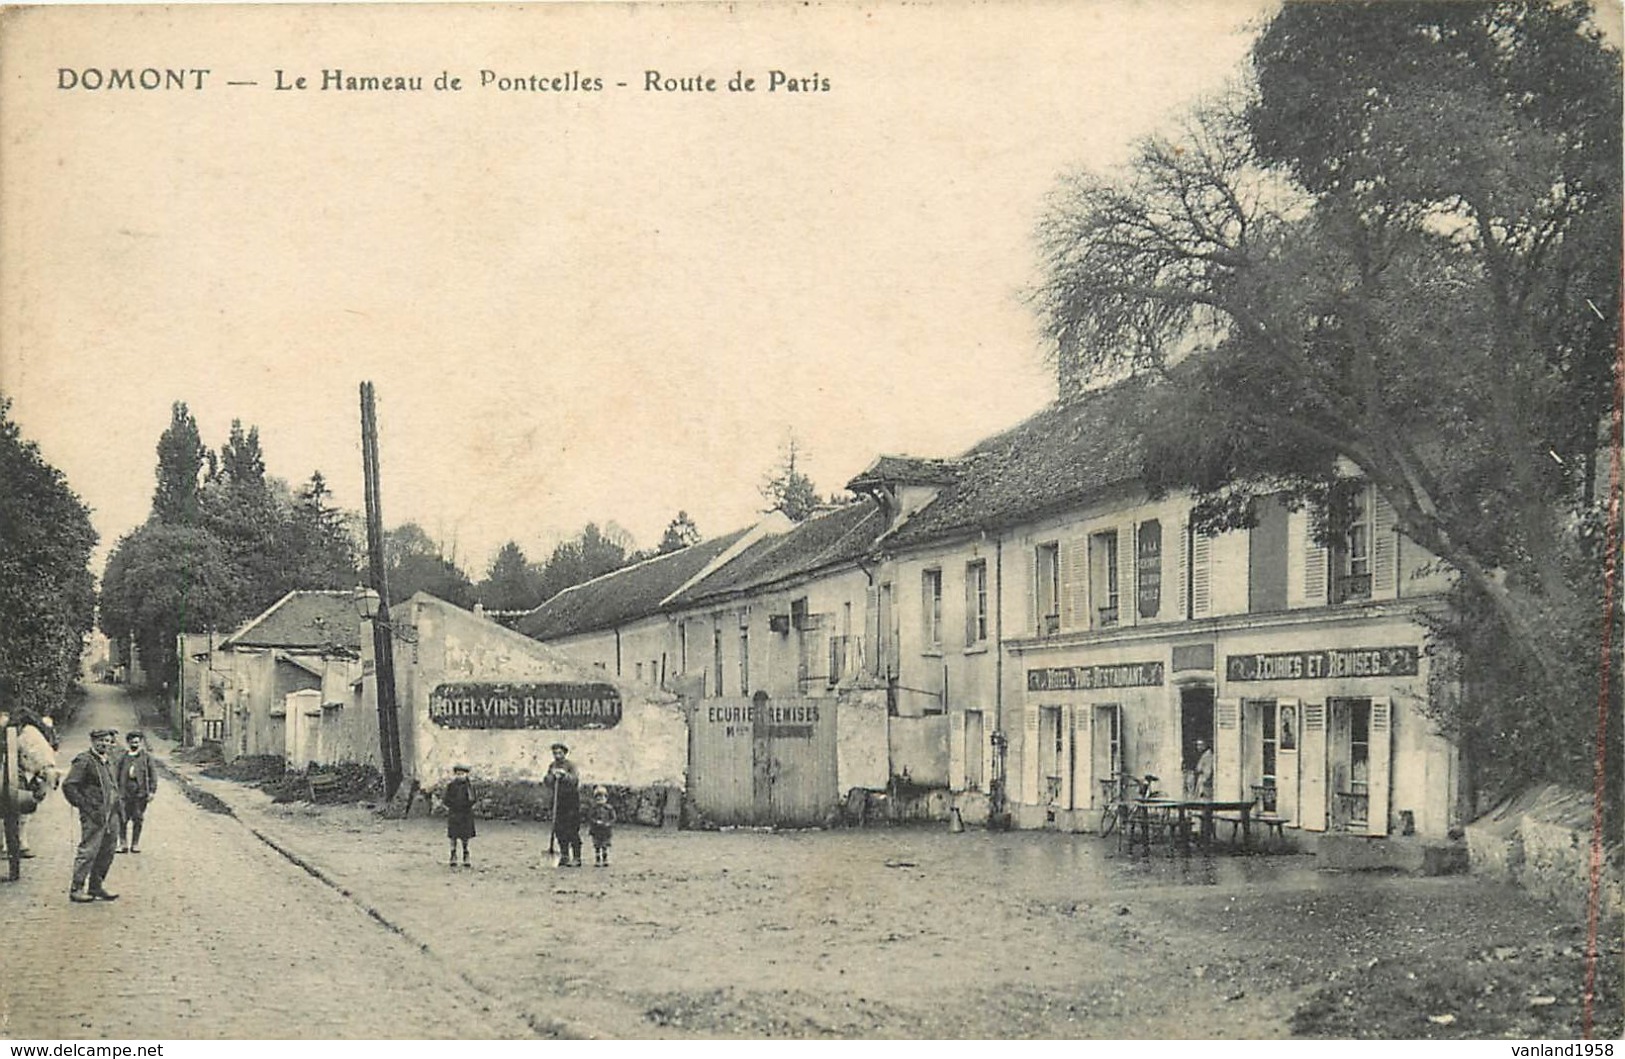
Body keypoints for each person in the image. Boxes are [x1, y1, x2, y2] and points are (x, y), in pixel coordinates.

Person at [62, 728, 122, 902]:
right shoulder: (84, 760)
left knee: (108, 851)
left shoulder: (109, 761)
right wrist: (85, 806)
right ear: (93, 741)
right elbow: (69, 785)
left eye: (108, 741)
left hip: (111, 815)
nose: (105, 744)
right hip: (94, 815)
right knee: (88, 852)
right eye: (101, 740)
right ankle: (76, 888)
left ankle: (96, 887)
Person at [118, 731, 158, 853]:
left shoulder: (146, 757)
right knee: (122, 818)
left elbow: (153, 775)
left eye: (137, 742)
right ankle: (123, 843)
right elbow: (116, 773)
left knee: (138, 817)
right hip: (125, 791)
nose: (135, 744)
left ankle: (135, 844)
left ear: (141, 743)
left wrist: (151, 791)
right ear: (128, 742)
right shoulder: (123, 757)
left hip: (140, 791)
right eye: (132, 742)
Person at [543, 742, 582, 868]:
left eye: (560, 753)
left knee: (572, 829)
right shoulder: (552, 766)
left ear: (565, 753)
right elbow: (547, 781)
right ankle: (564, 855)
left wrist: (564, 775)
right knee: (559, 829)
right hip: (557, 800)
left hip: (571, 800)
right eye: (555, 753)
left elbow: (575, 780)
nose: (557, 755)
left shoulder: (570, 766)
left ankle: (577, 857)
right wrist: (552, 776)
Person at [444, 764, 475, 868]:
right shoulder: (451, 786)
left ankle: (466, 854)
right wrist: (453, 805)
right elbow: (446, 799)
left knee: (465, 836)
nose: (460, 776)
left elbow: (473, 799)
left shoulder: (469, 786)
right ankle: (453, 855)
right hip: (454, 814)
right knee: (453, 836)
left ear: (466, 775)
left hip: (465, 814)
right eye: (458, 774)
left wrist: (466, 805)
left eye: (462, 774)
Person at [588, 786, 615, 867]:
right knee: (597, 845)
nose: (600, 799)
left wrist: (608, 823)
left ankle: (605, 859)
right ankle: (598, 860)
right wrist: (596, 822)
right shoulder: (593, 808)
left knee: (605, 845)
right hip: (596, 831)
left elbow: (613, 818)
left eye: (602, 797)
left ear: (606, 798)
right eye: (598, 797)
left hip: (606, 831)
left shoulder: (609, 808)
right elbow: (590, 817)